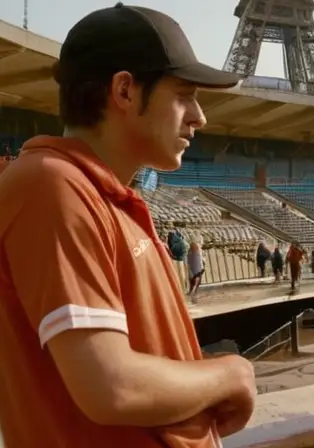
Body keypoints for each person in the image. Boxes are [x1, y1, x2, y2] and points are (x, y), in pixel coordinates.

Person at [0, 4, 256, 447]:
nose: (200, 116)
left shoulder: (105, 196)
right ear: (124, 90)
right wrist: (231, 374)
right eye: (183, 94)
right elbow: (111, 386)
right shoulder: (50, 184)